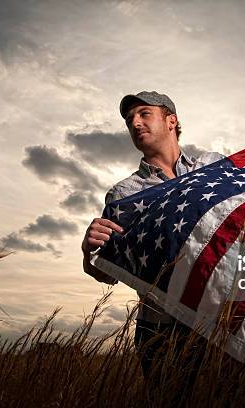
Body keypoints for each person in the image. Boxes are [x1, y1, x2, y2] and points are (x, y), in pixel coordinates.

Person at [81, 91, 223, 378]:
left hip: (224, 321)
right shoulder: (124, 194)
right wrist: (89, 251)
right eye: (129, 119)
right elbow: (107, 273)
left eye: (144, 113)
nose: (135, 123)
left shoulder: (212, 166)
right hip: (161, 329)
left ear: (172, 121)